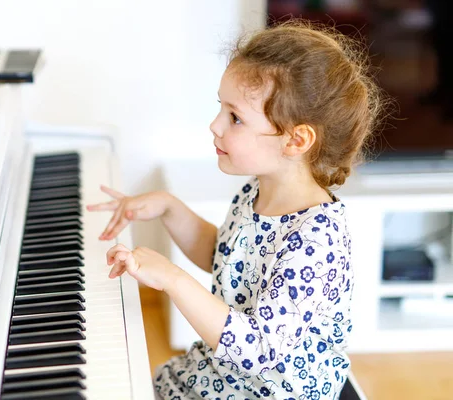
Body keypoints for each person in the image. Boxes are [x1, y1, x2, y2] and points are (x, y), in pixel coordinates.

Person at [87, 20, 383, 400]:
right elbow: (225, 256)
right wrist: (169, 207)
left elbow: (259, 350)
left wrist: (174, 280)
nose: (215, 126)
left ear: (296, 139)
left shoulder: (317, 239)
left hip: (272, 390)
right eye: (220, 110)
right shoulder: (255, 192)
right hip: (226, 374)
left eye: (235, 117)